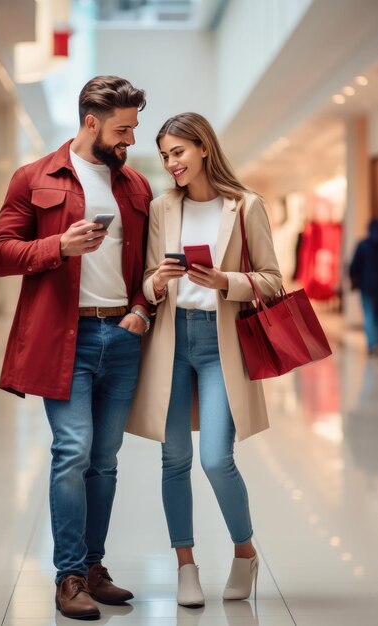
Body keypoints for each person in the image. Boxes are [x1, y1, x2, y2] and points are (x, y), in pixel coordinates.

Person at [0, 76, 152, 621]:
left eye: (133, 127)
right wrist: (58, 245)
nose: (131, 138)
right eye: (122, 128)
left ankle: (95, 568)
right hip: (67, 338)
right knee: (73, 452)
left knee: (104, 462)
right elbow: (1, 253)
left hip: (122, 337)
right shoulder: (34, 177)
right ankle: (69, 576)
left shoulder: (134, 187)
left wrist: (140, 310)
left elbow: (148, 264)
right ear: (91, 122)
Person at [126, 112, 282, 607]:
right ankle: (185, 566)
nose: (172, 163)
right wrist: (159, 281)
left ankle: (245, 552)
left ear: (204, 149)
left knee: (217, 458)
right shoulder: (161, 208)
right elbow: (149, 282)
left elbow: (274, 281)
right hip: (172, 343)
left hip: (222, 345)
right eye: (167, 154)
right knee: (174, 459)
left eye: (179, 152)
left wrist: (225, 282)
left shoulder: (244, 206)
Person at [349, 218, 378, 356]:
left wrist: (354, 278)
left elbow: (353, 266)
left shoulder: (363, 245)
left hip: (367, 285)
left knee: (369, 314)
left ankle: (372, 344)